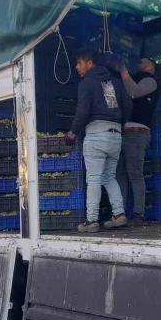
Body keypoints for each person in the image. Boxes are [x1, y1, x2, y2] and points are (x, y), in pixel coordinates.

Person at [65, 50, 132, 233]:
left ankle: (92, 219)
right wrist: (120, 123)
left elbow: (83, 111)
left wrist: (72, 132)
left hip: (96, 134)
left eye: (79, 63)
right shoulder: (114, 82)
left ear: (89, 63)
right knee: (109, 176)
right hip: (115, 135)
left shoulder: (87, 82)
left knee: (93, 178)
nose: (77, 67)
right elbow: (128, 104)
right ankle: (119, 214)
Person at [117, 57, 159, 224]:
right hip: (125, 133)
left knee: (134, 173)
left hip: (137, 133)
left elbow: (133, 91)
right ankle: (120, 213)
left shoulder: (151, 81)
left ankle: (138, 213)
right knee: (120, 174)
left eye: (142, 62)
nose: (138, 63)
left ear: (151, 67)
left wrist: (122, 70)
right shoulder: (138, 78)